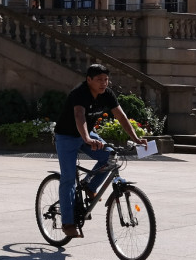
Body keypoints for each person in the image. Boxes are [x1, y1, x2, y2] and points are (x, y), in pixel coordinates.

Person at [52, 63, 148, 238]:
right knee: (68, 179)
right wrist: (87, 139)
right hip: (66, 137)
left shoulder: (107, 94)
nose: (104, 83)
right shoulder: (79, 93)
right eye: (99, 80)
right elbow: (79, 116)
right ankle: (68, 223)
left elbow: (121, 116)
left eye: (106, 79)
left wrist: (135, 138)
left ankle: (90, 185)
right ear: (89, 80)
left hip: (87, 134)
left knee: (110, 156)